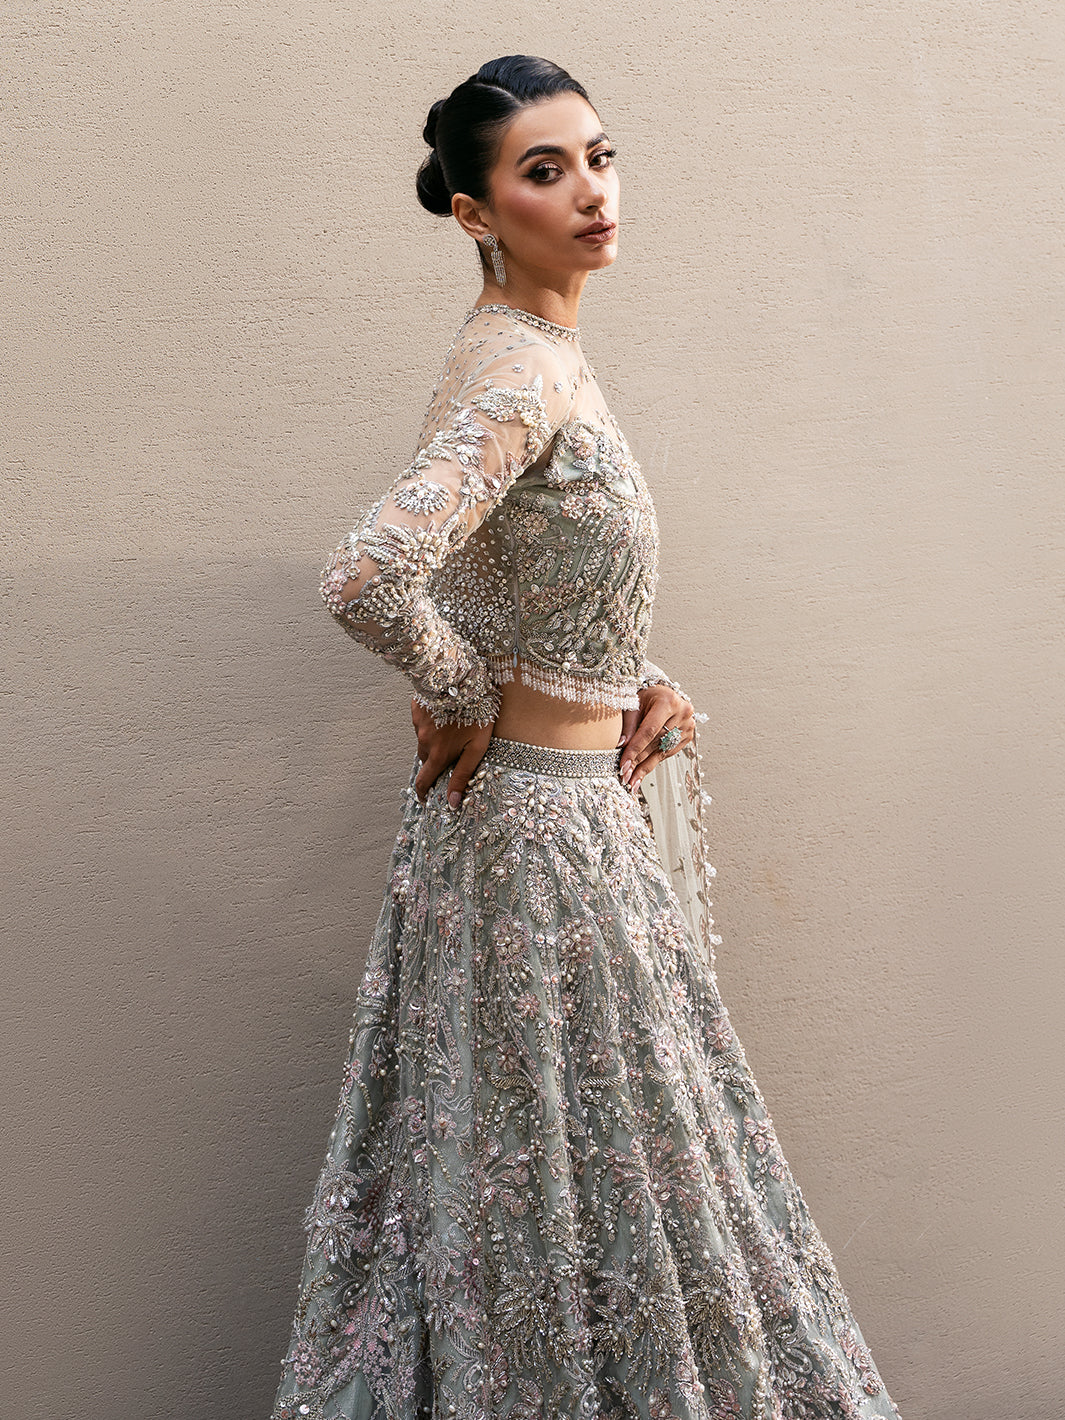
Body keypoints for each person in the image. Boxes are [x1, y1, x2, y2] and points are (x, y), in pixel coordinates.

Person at [269, 55, 902, 1420]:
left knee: (581, 1184)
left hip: (555, 818)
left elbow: (516, 573)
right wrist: (456, 693)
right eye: (544, 171)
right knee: (573, 1189)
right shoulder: (517, 372)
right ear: (474, 212)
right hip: (538, 839)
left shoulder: (536, 356)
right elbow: (369, 575)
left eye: (599, 158)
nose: (591, 193)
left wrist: (629, 678)